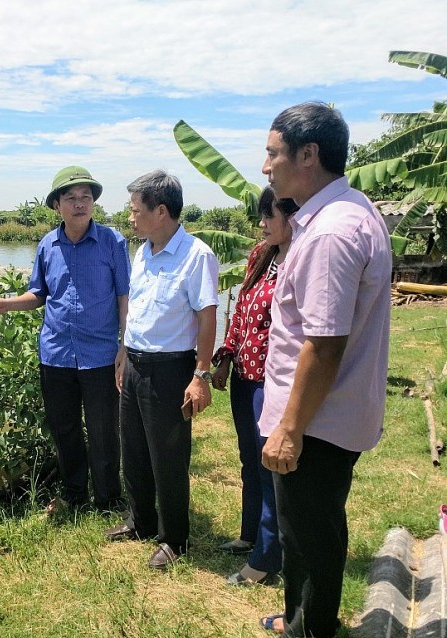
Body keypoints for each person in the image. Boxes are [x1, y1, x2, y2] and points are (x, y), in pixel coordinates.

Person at [258, 102, 392, 637]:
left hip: (314, 424)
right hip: (328, 418)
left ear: (308, 155)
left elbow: (324, 344)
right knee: (316, 530)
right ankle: (307, 620)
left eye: (272, 154)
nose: (265, 166)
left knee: (308, 536)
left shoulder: (330, 232)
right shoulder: (348, 212)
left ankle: (309, 628)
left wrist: (289, 430)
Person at [0, 166, 130, 512]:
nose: (80, 204)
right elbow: (38, 294)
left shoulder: (112, 242)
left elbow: (124, 296)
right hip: (56, 353)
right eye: (71, 198)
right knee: (65, 429)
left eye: (86, 197)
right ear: (57, 205)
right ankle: (73, 493)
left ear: (93, 203)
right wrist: (5, 304)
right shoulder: (48, 245)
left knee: (104, 430)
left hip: (101, 354)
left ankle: (108, 498)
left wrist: (124, 345)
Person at [105, 169, 218, 570]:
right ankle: (140, 521)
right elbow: (135, 309)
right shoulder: (142, 252)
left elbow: (207, 318)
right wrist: (123, 354)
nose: (130, 218)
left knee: (168, 458)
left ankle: (174, 538)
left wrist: (200, 376)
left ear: (162, 211)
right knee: (132, 449)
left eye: (136, 211)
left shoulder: (196, 256)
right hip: (135, 362)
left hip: (170, 369)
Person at [211, 186, 299, 587]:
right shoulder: (260, 256)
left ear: (292, 216)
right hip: (246, 375)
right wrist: (226, 355)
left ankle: (267, 560)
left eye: (269, 216)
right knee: (249, 459)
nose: (262, 224)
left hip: (274, 381)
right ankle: (251, 535)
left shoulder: (301, 260)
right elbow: (242, 312)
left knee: (269, 468)